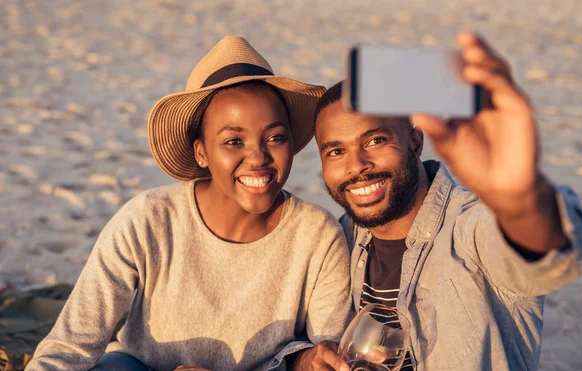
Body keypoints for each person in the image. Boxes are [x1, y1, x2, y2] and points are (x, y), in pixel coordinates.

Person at [26, 36, 351, 371]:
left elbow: (325, 352)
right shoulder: (149, 218)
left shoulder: (317, 234)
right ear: (201, 152)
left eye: (275, 137)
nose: (258, 157)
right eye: (233, 141)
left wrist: (314, 357)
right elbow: (71, 344)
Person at [290, 32, 582, 370]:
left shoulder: (470, 227)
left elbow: (539, 250)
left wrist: (518, 198)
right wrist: (307, 360)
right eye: (336, 151)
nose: (356, 165)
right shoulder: (339, 236)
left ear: (415, 141)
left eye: (375, 140)